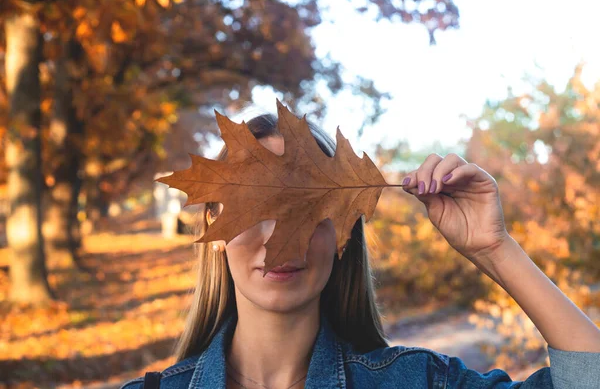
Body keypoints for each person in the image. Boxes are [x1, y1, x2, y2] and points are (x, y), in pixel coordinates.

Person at [121, 113, 600, 389]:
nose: (277, 239)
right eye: (254, 211)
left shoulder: (417, 382)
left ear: (345, 236)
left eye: (306, 213)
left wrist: (496, 249)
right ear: (214, 229)